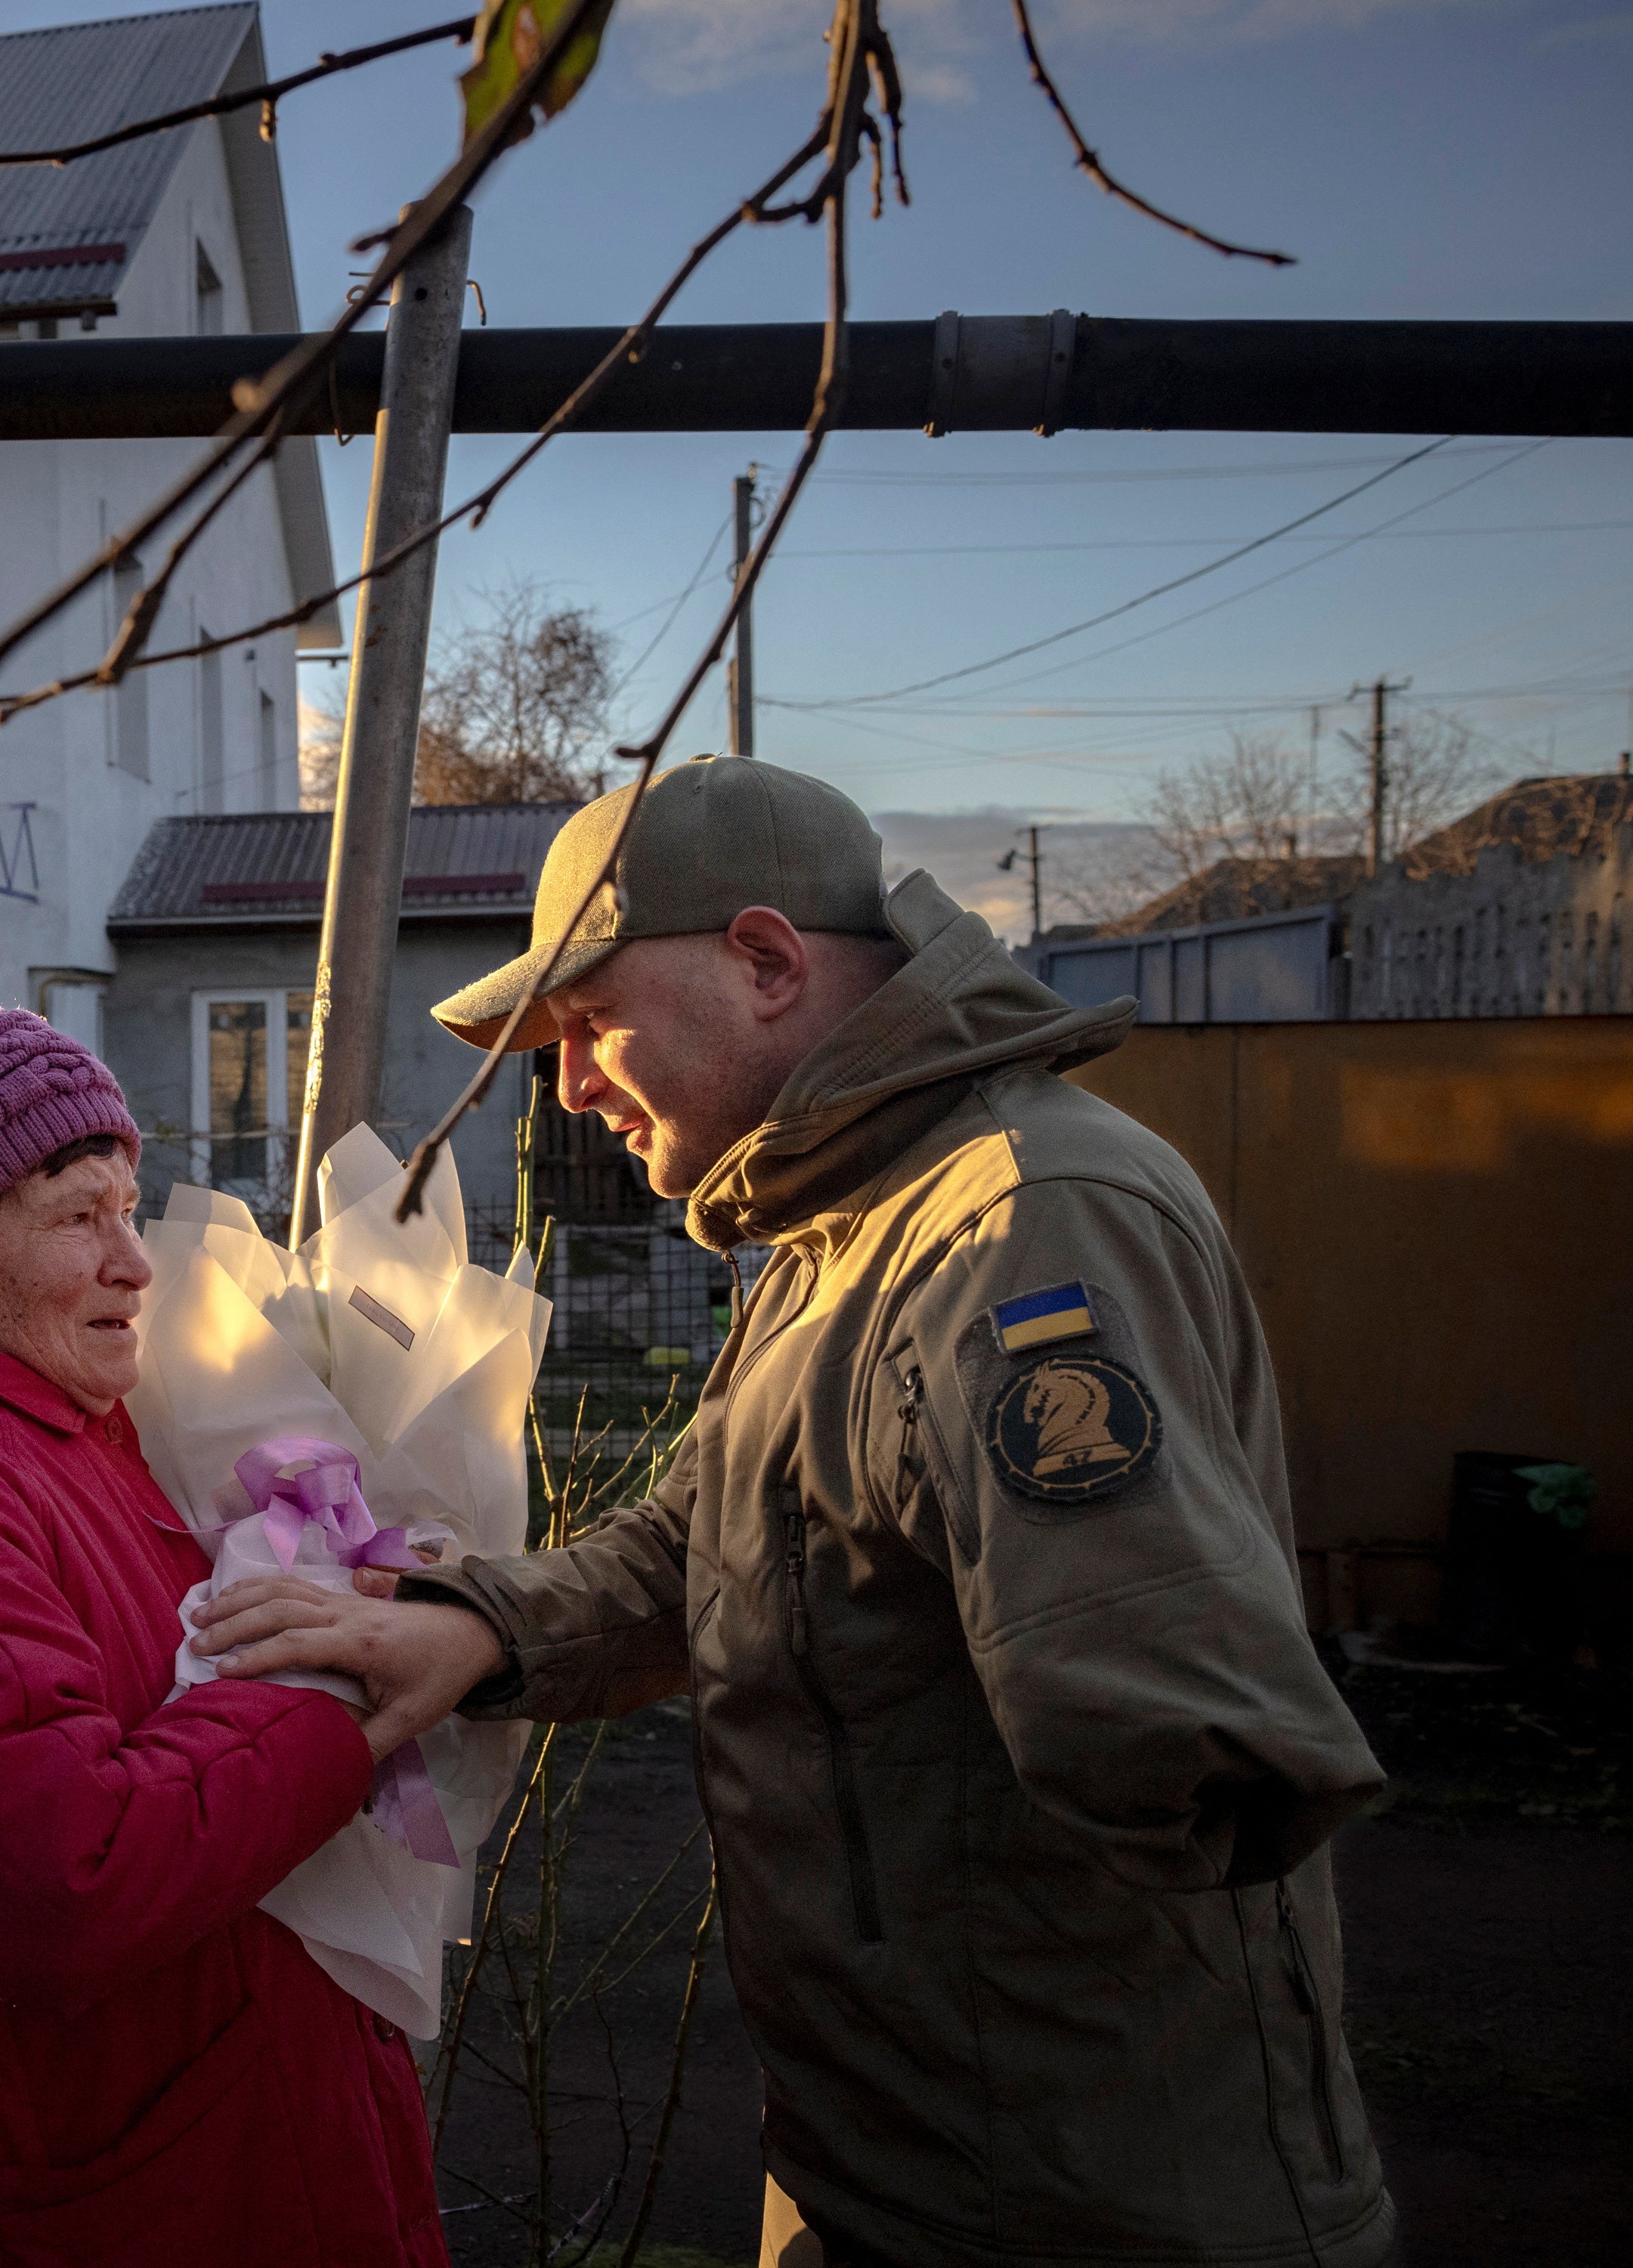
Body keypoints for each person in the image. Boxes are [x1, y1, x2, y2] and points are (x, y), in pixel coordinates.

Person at [199, 758, 1398, 2268]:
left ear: (765, 961)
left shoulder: (1022, 1221)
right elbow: (709, 1546)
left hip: (1086, 2205)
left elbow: (1187, 1736)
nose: (569, 1083)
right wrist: (472, 1624)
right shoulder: (845, 1235)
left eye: (589, 1023)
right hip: (887, 2170)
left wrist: (1141, 1712)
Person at [0, 1007, 450, 2268]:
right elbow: (65, 1877)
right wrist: (348, 1670)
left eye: (130, 1207)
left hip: (211, 2174)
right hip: (58, 2213)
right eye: (78, 1215)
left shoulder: (77, 1427)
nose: (136, 1260)